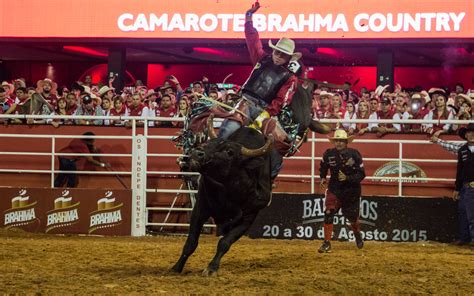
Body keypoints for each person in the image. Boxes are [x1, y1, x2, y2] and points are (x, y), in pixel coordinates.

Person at [218, 1, 302, 179]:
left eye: (282, 54)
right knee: (226, 131)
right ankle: (214, 166)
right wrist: (249, 17)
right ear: (273, 51)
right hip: (246, 102)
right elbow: (252, 39)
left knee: (281, 145)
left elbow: (281, 101)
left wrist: (265, 115)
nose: (278, 56)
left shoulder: (290, 78)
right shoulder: (261, 58)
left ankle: (267, 180)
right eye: (277, 52)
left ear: (288, 58)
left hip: (265, 109)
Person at [318, 129, 366, 253]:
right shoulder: (328, 154)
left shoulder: (355, 154)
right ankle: (326, 243)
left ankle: (357, 234)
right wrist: (322, 177)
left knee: (352, 218)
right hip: (335, 189)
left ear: (346, 142)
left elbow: (361, 174)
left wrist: (347, 178)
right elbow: (323, 166)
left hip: (351, 191)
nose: (338, 143)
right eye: (336, 141)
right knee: (329, 212)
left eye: (341, 141)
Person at [431, 123, 474, 246]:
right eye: (470, 132)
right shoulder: (463, 150)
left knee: (471, 216)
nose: (472, 135)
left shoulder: (463, 150)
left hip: (469, 187)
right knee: (463, 212)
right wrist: (457, 188)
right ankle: (465, 238)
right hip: (466, 186)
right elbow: (459, 170)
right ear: (466, 135)